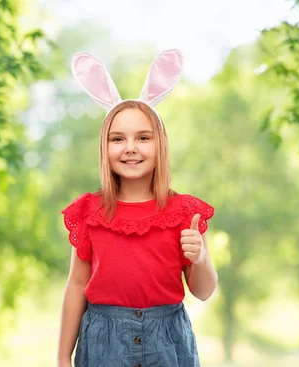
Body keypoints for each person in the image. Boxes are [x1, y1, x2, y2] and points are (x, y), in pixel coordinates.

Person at [57, 49, 217, 367]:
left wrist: (199, 258)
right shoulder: (89, 212)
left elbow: (203, 290)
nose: (130, 148)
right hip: (103, 344)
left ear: (160, 144)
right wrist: (63, 356)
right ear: (105, 147)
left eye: (142, 137)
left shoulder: (185, 212)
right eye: (118, 139)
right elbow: (76, 284)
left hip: (169, 344)